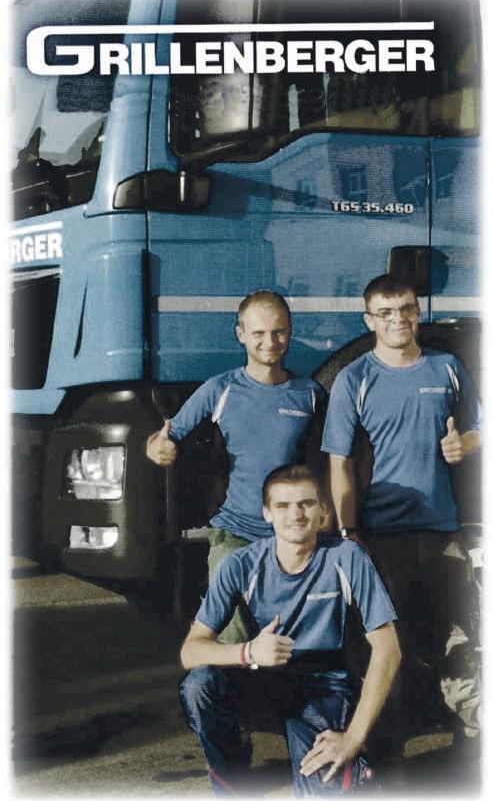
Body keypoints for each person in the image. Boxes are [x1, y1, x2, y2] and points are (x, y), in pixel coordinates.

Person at [321, 273, 482, 739]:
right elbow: (339, 463)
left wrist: (465, 444)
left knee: (458, 638)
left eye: (406, 309)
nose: (398, 320)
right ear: (369, 320)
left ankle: (473, 739)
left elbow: (480, 427)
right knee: (387, 646)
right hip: (382, 538)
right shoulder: (355, 379)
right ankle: (385, 749)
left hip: (442, 531)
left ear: (418, 312)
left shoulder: (447, 368)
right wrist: (349, 533)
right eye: (386, 312)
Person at [179, 464, 401, 796]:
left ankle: (358, 770)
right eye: (282, 505)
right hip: (265, 681)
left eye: (306, 504)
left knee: (322, 785)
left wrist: (353, 738)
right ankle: (232, 784)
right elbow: (191, 651)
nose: (295, 514)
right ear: (266, 513)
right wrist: (248, 651)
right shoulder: (241, 564)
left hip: (324, 688)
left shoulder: (347, 557)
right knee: (200, 686)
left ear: (323, 510)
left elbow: (388, 649)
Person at [146, 290, 326, 642]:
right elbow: (165, 436)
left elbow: (330, 460)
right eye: (258, 333)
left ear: (290, 332)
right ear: (240, 334)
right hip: (235, 534)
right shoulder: (220, 390)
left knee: (296, 642)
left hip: (292, 536)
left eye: (278, 332)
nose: (269, 342)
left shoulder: (310, 394)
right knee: (232, 640)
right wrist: (158, 448)